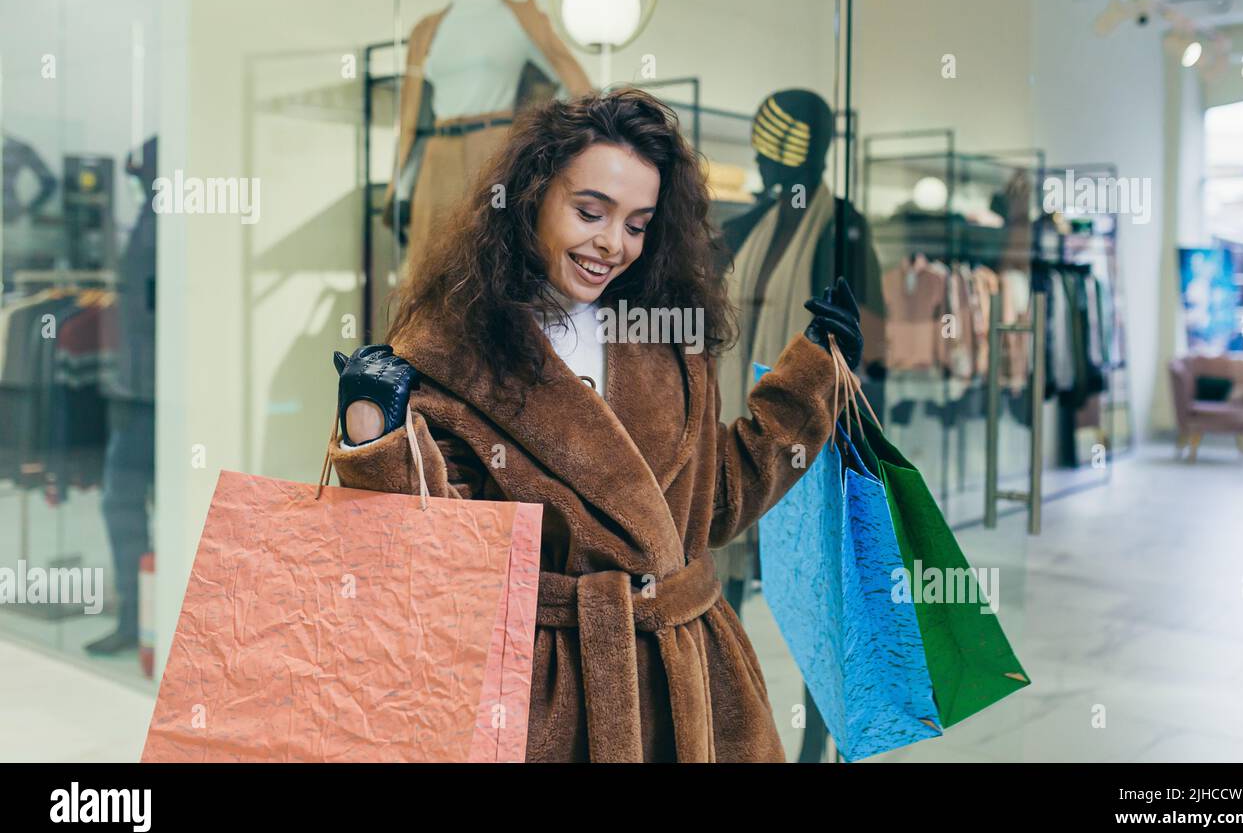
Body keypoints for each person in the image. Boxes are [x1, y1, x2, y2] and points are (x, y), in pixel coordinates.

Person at [328, 88, 864, 762]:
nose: (612, 245)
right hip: (542, 694)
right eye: (590, 211)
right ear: (530, 196)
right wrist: (370, 432)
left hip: (688, 684)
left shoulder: (665, 337)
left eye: (638, 224)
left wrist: (813, 376)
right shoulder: (453, 348)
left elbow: (715, 505)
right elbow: (432, 556)